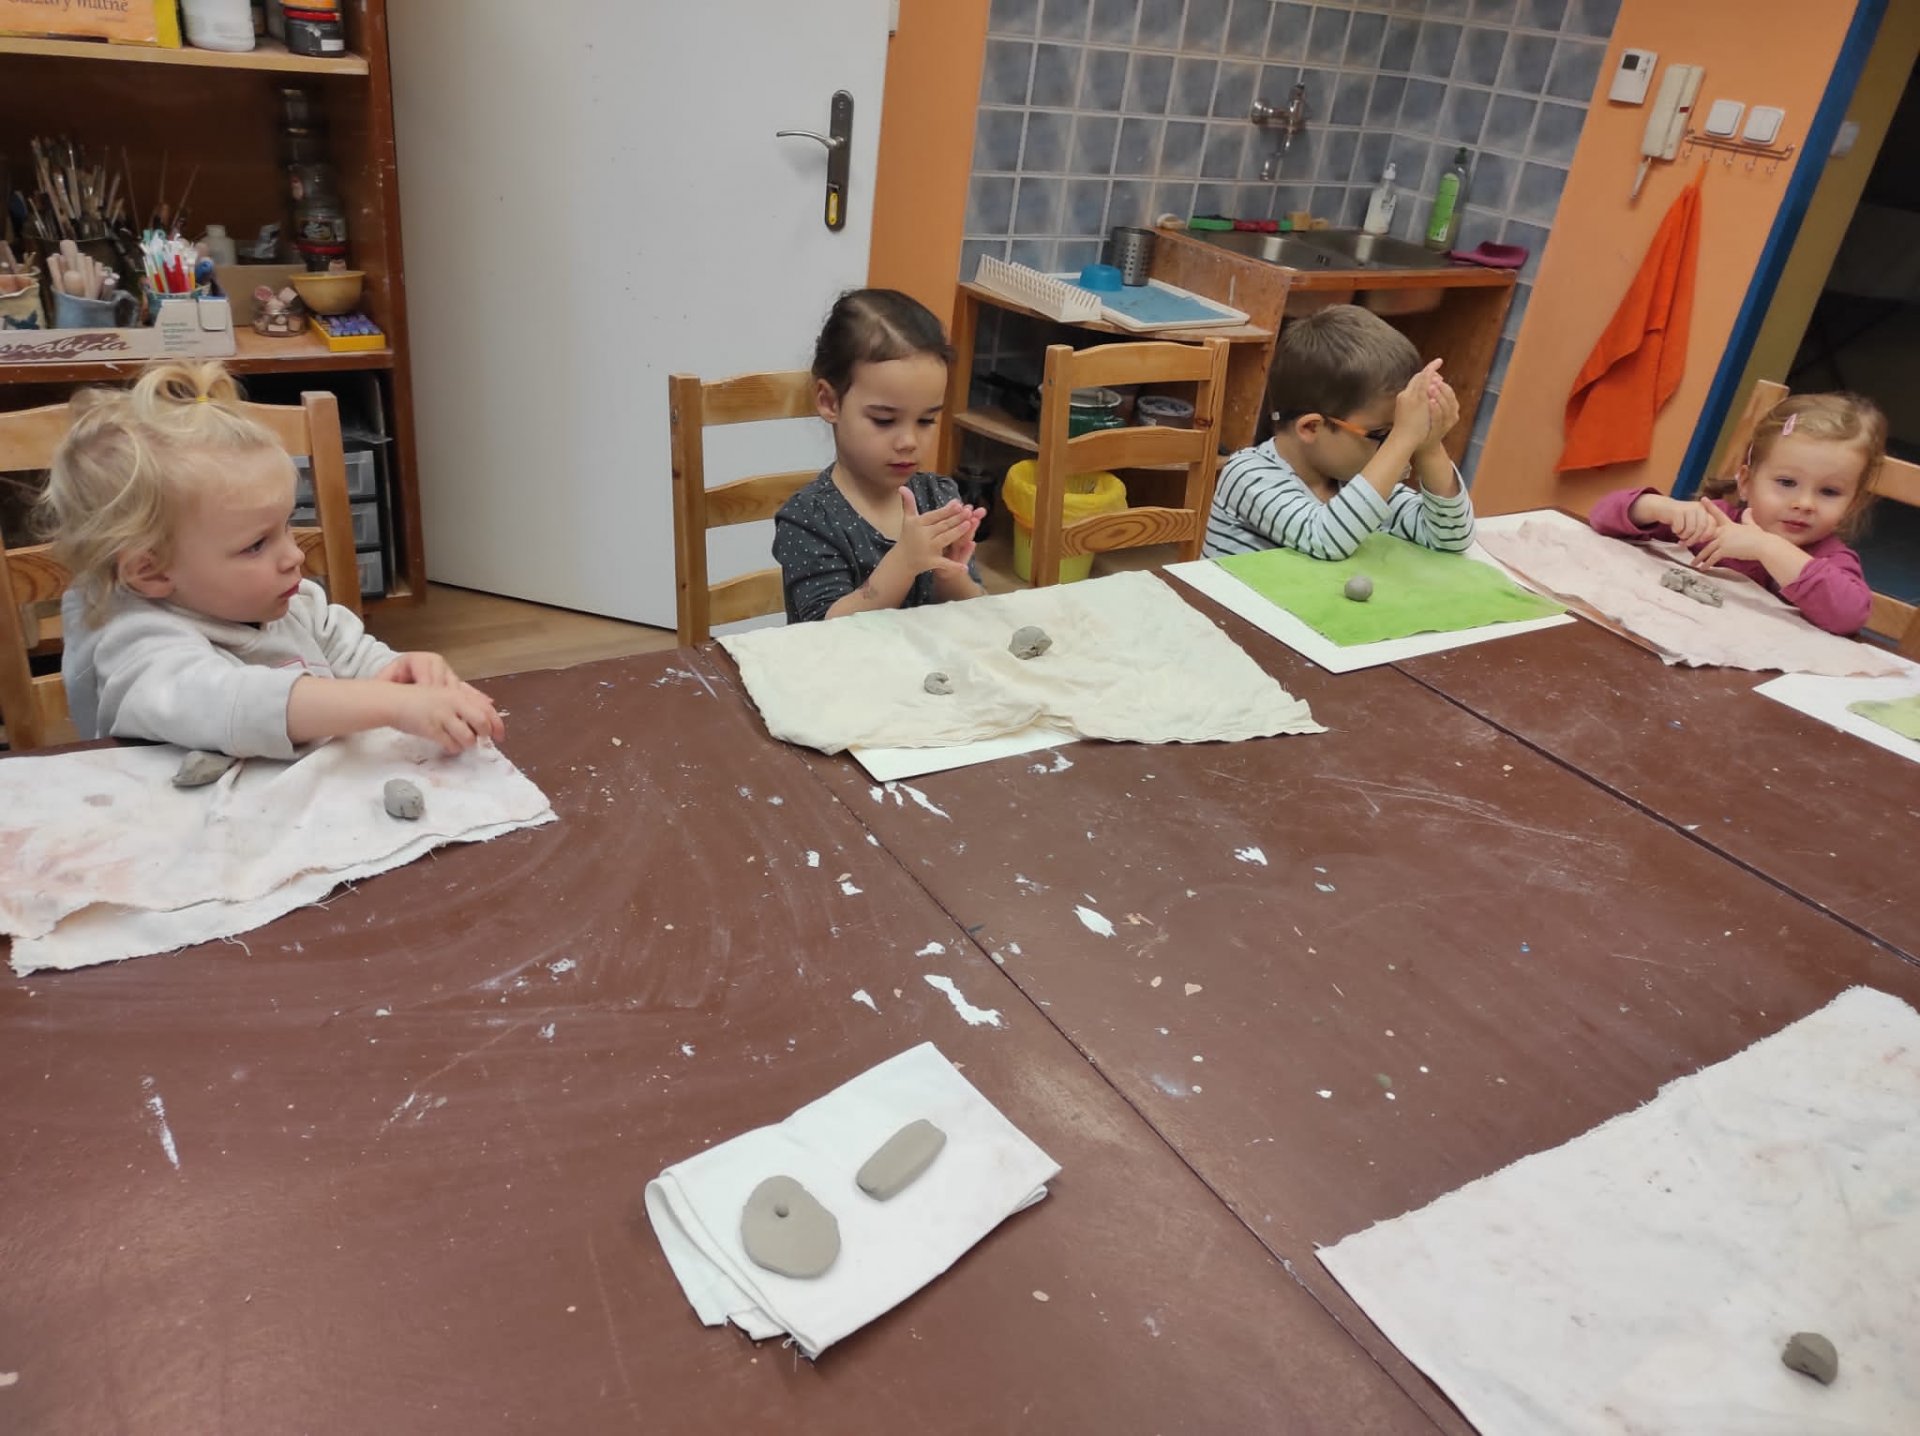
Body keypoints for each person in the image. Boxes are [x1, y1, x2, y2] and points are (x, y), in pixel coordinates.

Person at [44, 359, 503, 757]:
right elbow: (235, 703)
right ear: (150, 570)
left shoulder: (294, 604)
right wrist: (391, 706)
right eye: (256, 545)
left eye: (287, 525)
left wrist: (401, 676)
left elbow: (352, 655)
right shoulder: (137, 644)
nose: (294, 556)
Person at [1588, 392, 1883, 635]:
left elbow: (1849, 615)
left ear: (1852, 503)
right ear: (1745, 482)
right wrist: (1657, 507)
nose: (1805, 503)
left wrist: (1767, 547)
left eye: (1829, 492)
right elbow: (1601, 517)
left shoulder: (1830, 559)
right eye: (1786, 483)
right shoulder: (1715, 522)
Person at [774, 288, 986, 622]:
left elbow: (978, 613)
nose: (908, 441)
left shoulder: (938, 497)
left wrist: (950, 575)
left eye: (926, 420)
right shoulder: (810, 519)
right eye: (884, 420)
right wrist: (904, 563)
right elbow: (824, 634)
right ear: (830, 402)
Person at [1204, 304, 1471, 560]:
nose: (1393, 450)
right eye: (1381, 434)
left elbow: (1448, 538)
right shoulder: (1249, 474)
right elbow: (1325, 539)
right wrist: (1403, 437)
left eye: (1395, 434)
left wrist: (1428, 446)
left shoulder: (1352, 479)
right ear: (1311, 427)